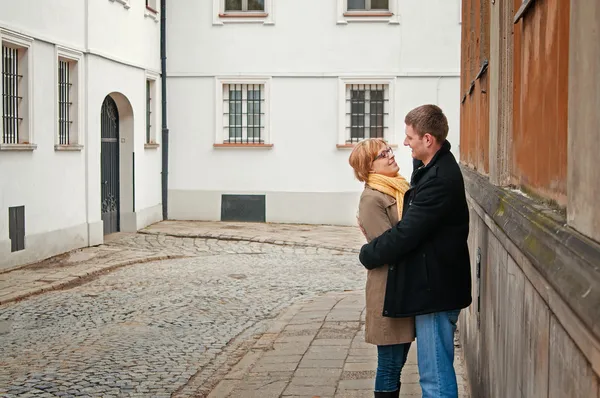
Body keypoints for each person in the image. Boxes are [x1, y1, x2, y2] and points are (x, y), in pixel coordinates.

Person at [358, 105, 472, 398]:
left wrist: (367, 254)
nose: (404, 144)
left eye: (410, 137)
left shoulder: (437, 178)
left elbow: (406, 234)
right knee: (428, 375)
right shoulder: (429, 170)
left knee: (434, 380)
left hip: (436, 290)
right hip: (431, 287)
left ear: (428, 140)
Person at [348, 138, 415, 398]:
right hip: (387, 291)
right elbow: (388, 246)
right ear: (369, 168)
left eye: (389, 150)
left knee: (396, 364)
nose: (390, 155)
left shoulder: (398, 188)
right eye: (382, 154)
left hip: (402, 287)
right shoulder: (371, 198)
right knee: (389, 365)